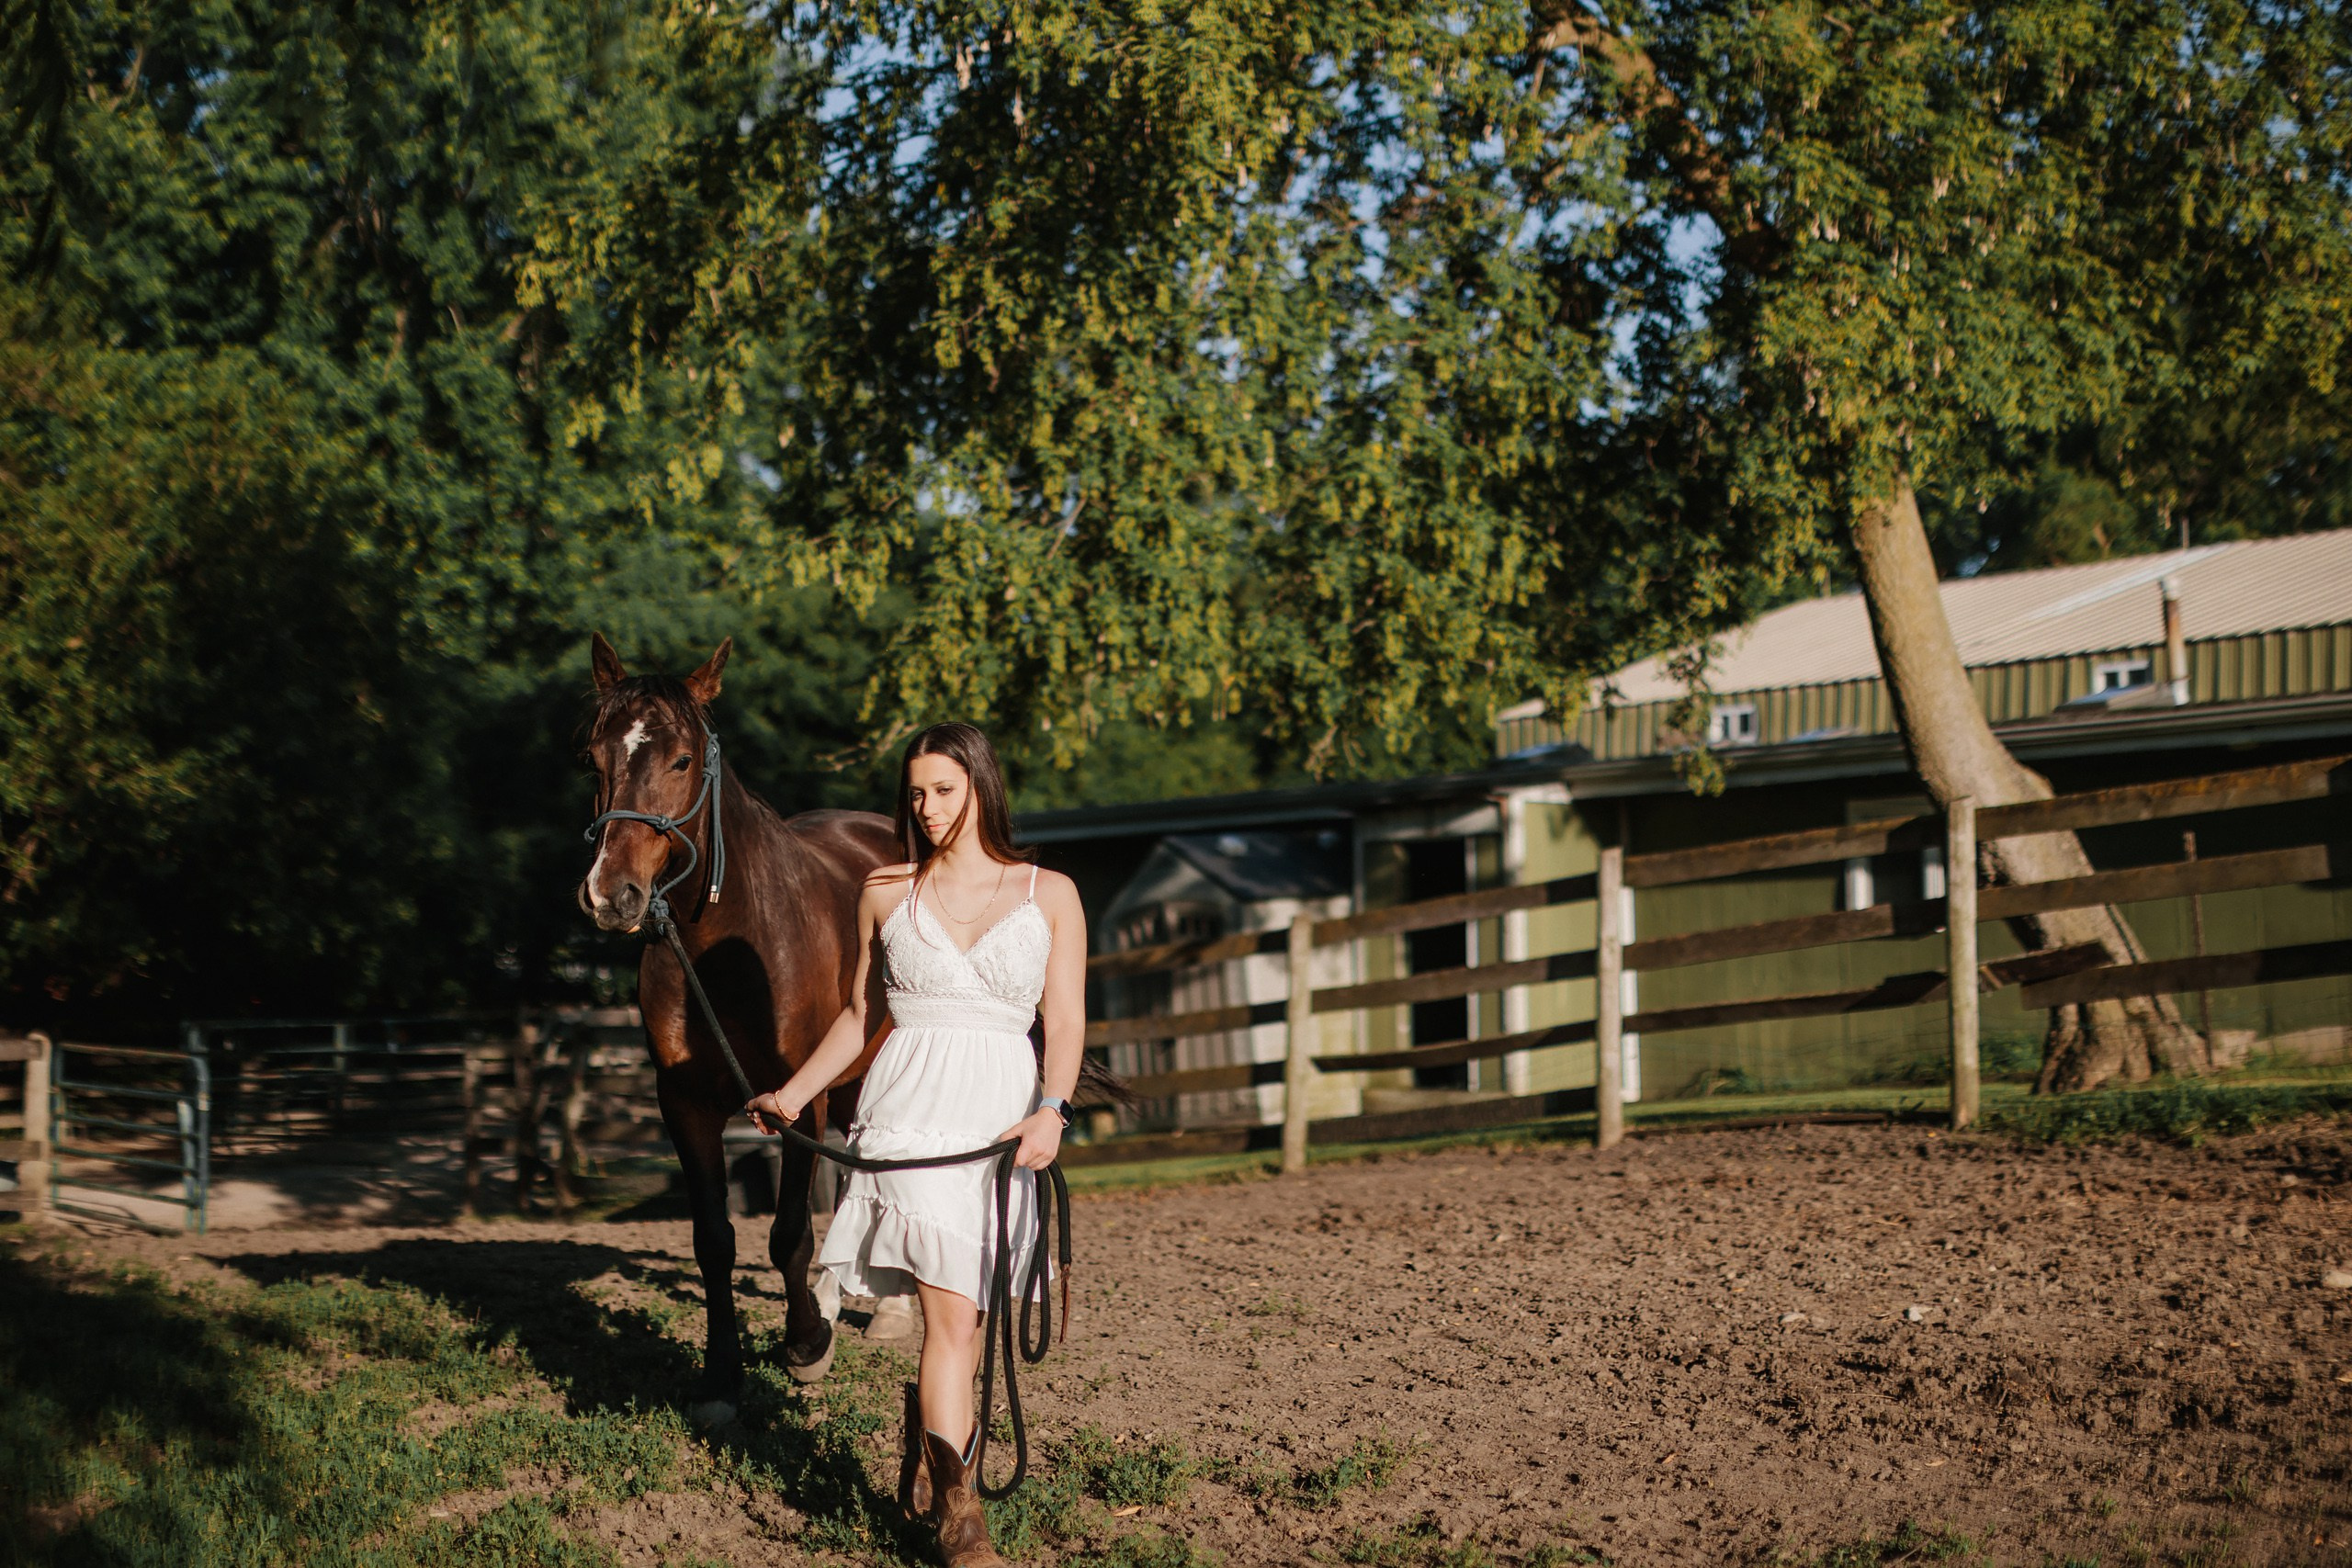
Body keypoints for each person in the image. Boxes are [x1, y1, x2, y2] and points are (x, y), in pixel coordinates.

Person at [746, 721, 1085, 1568]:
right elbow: (860, 1014)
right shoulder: (885, 890)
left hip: (1001, 1121)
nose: (927, 808)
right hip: (909, 1118)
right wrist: (793, 1092)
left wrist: (1053, 1109)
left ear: (981, 786)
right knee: (951, 1319)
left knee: (970, 1317)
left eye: (944, 789)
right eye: (916, 793)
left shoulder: (1049, 893)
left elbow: (1066, 1018)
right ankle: (964, 1527)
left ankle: (930, 1450)